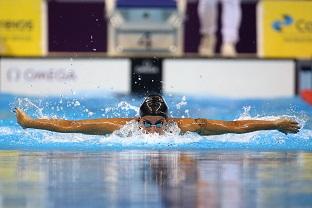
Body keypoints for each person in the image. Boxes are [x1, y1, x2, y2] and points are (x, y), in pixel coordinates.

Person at [15, 94, 300, 136]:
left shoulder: (187, 127)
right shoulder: (121, 128)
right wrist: (29, 123)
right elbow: (70, 125)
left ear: (169, 120)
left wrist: (274, 124)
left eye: (158, 123)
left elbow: (234, 126)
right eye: (147, 123)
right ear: (138, 120)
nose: (152, 129)